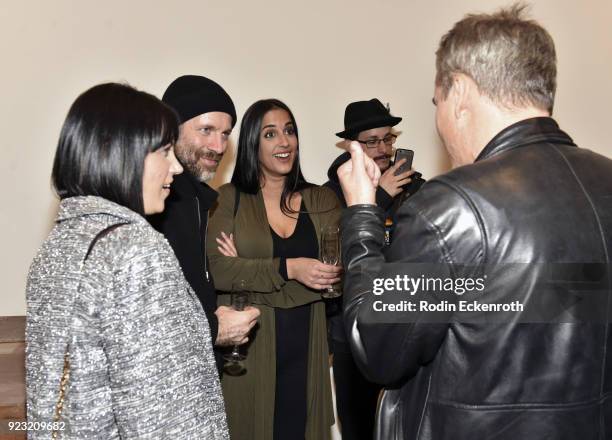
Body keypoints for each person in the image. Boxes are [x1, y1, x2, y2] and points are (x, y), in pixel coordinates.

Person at [337, 4, 612, 440]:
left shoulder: (453, 208)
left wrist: (362, 218)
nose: (439, 122)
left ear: (460, 93)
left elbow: (377, 348)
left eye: (437, 102)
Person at [26, 83, 228, 439]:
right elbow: (162, 417)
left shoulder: (58, 245)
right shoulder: (137, 249)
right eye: (165, 151)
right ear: (123, 154)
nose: (176, 168)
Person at [207, 99, 341, 440]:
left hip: (308, 346)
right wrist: (292, 268)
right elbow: (222, 273)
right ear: (253, 143)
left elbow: (337, 275)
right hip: (250, 350)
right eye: (270, 134)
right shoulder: (227, 200)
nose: (284, 142)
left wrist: (250, 271)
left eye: (289, 131)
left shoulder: (322, 201)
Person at [323, 98, 426, 440]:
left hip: (404, 324)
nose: (383, 149)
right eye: (372, 141)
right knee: (359, 426)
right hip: (353, 332)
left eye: (388, 138)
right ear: (352, 146)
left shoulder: (414, 187)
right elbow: (336, 252)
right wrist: (377, 198)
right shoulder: (330, 194)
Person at [149, 75, 260, 373]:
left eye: (225, 134)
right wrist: (213, 327)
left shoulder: (197, 197)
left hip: (196, 368)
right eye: (206, 130)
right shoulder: (157, 199)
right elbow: (151, 313)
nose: (218, 145)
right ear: (170, 131)